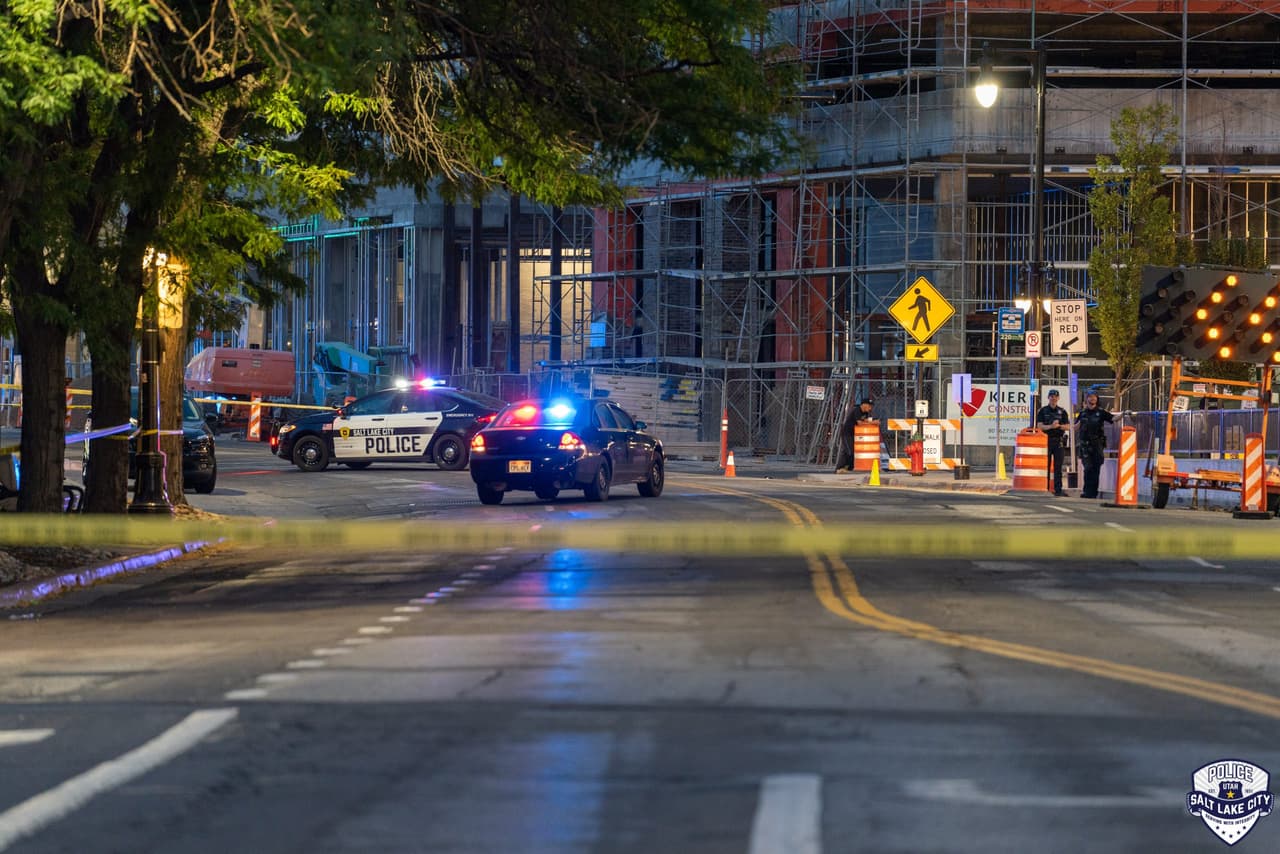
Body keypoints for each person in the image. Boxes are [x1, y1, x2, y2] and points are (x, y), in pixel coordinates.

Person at [1075, 392, 1114, 499]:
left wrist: (1123, 415)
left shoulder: (1101, 412)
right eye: (1090, 397)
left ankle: (1093, 493)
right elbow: (1076, 426)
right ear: (1086, 400)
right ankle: (1087, 491)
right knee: (1087, 468)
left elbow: (1113, 419)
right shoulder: (1082, 413)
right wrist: (1061, 426)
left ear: (1097, 399)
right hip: (1085, 445)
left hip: (1097, 444)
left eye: (1094, 397)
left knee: (1096, 468)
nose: (1092, 399)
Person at [1036, 389, 1070, 496]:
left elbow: (1068, 427)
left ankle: (1058, 489)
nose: (1053, 398)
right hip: (1046, 441)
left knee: (1058, 467)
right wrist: (1051, 426)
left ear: (1058, 398)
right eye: (1051, 396)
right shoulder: (1043, 411)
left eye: (1055, 396)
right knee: (1046, 466)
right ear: (1048, 398)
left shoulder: (1062, 411)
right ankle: (1045, 488)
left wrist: (1059, 426)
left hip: (1059, 441)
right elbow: (1039, 426)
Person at [834, 397, 875, 473]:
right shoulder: (857, 410)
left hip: (854, 434)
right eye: (869, 406)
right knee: (848, 451)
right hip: (847, 433)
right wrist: (872, 422)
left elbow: (865, 421)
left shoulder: (865, 413)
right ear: (864, 405)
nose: (870, 408)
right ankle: (839, 468)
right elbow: (860, 422)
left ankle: (849, 467)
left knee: (853, 451)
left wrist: (873, 421)